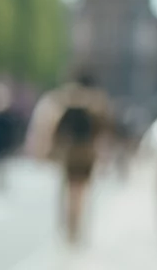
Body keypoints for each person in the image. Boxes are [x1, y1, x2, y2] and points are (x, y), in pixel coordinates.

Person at [26, 70, 113, 246]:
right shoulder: (96, 102)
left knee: (68, 190)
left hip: (68, 151)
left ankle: (68, 225)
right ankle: (78, 224)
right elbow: (104, 130)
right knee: (81, 191)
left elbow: (51, 124)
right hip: (87, 152)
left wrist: (46, 149)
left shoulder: (63, 99)